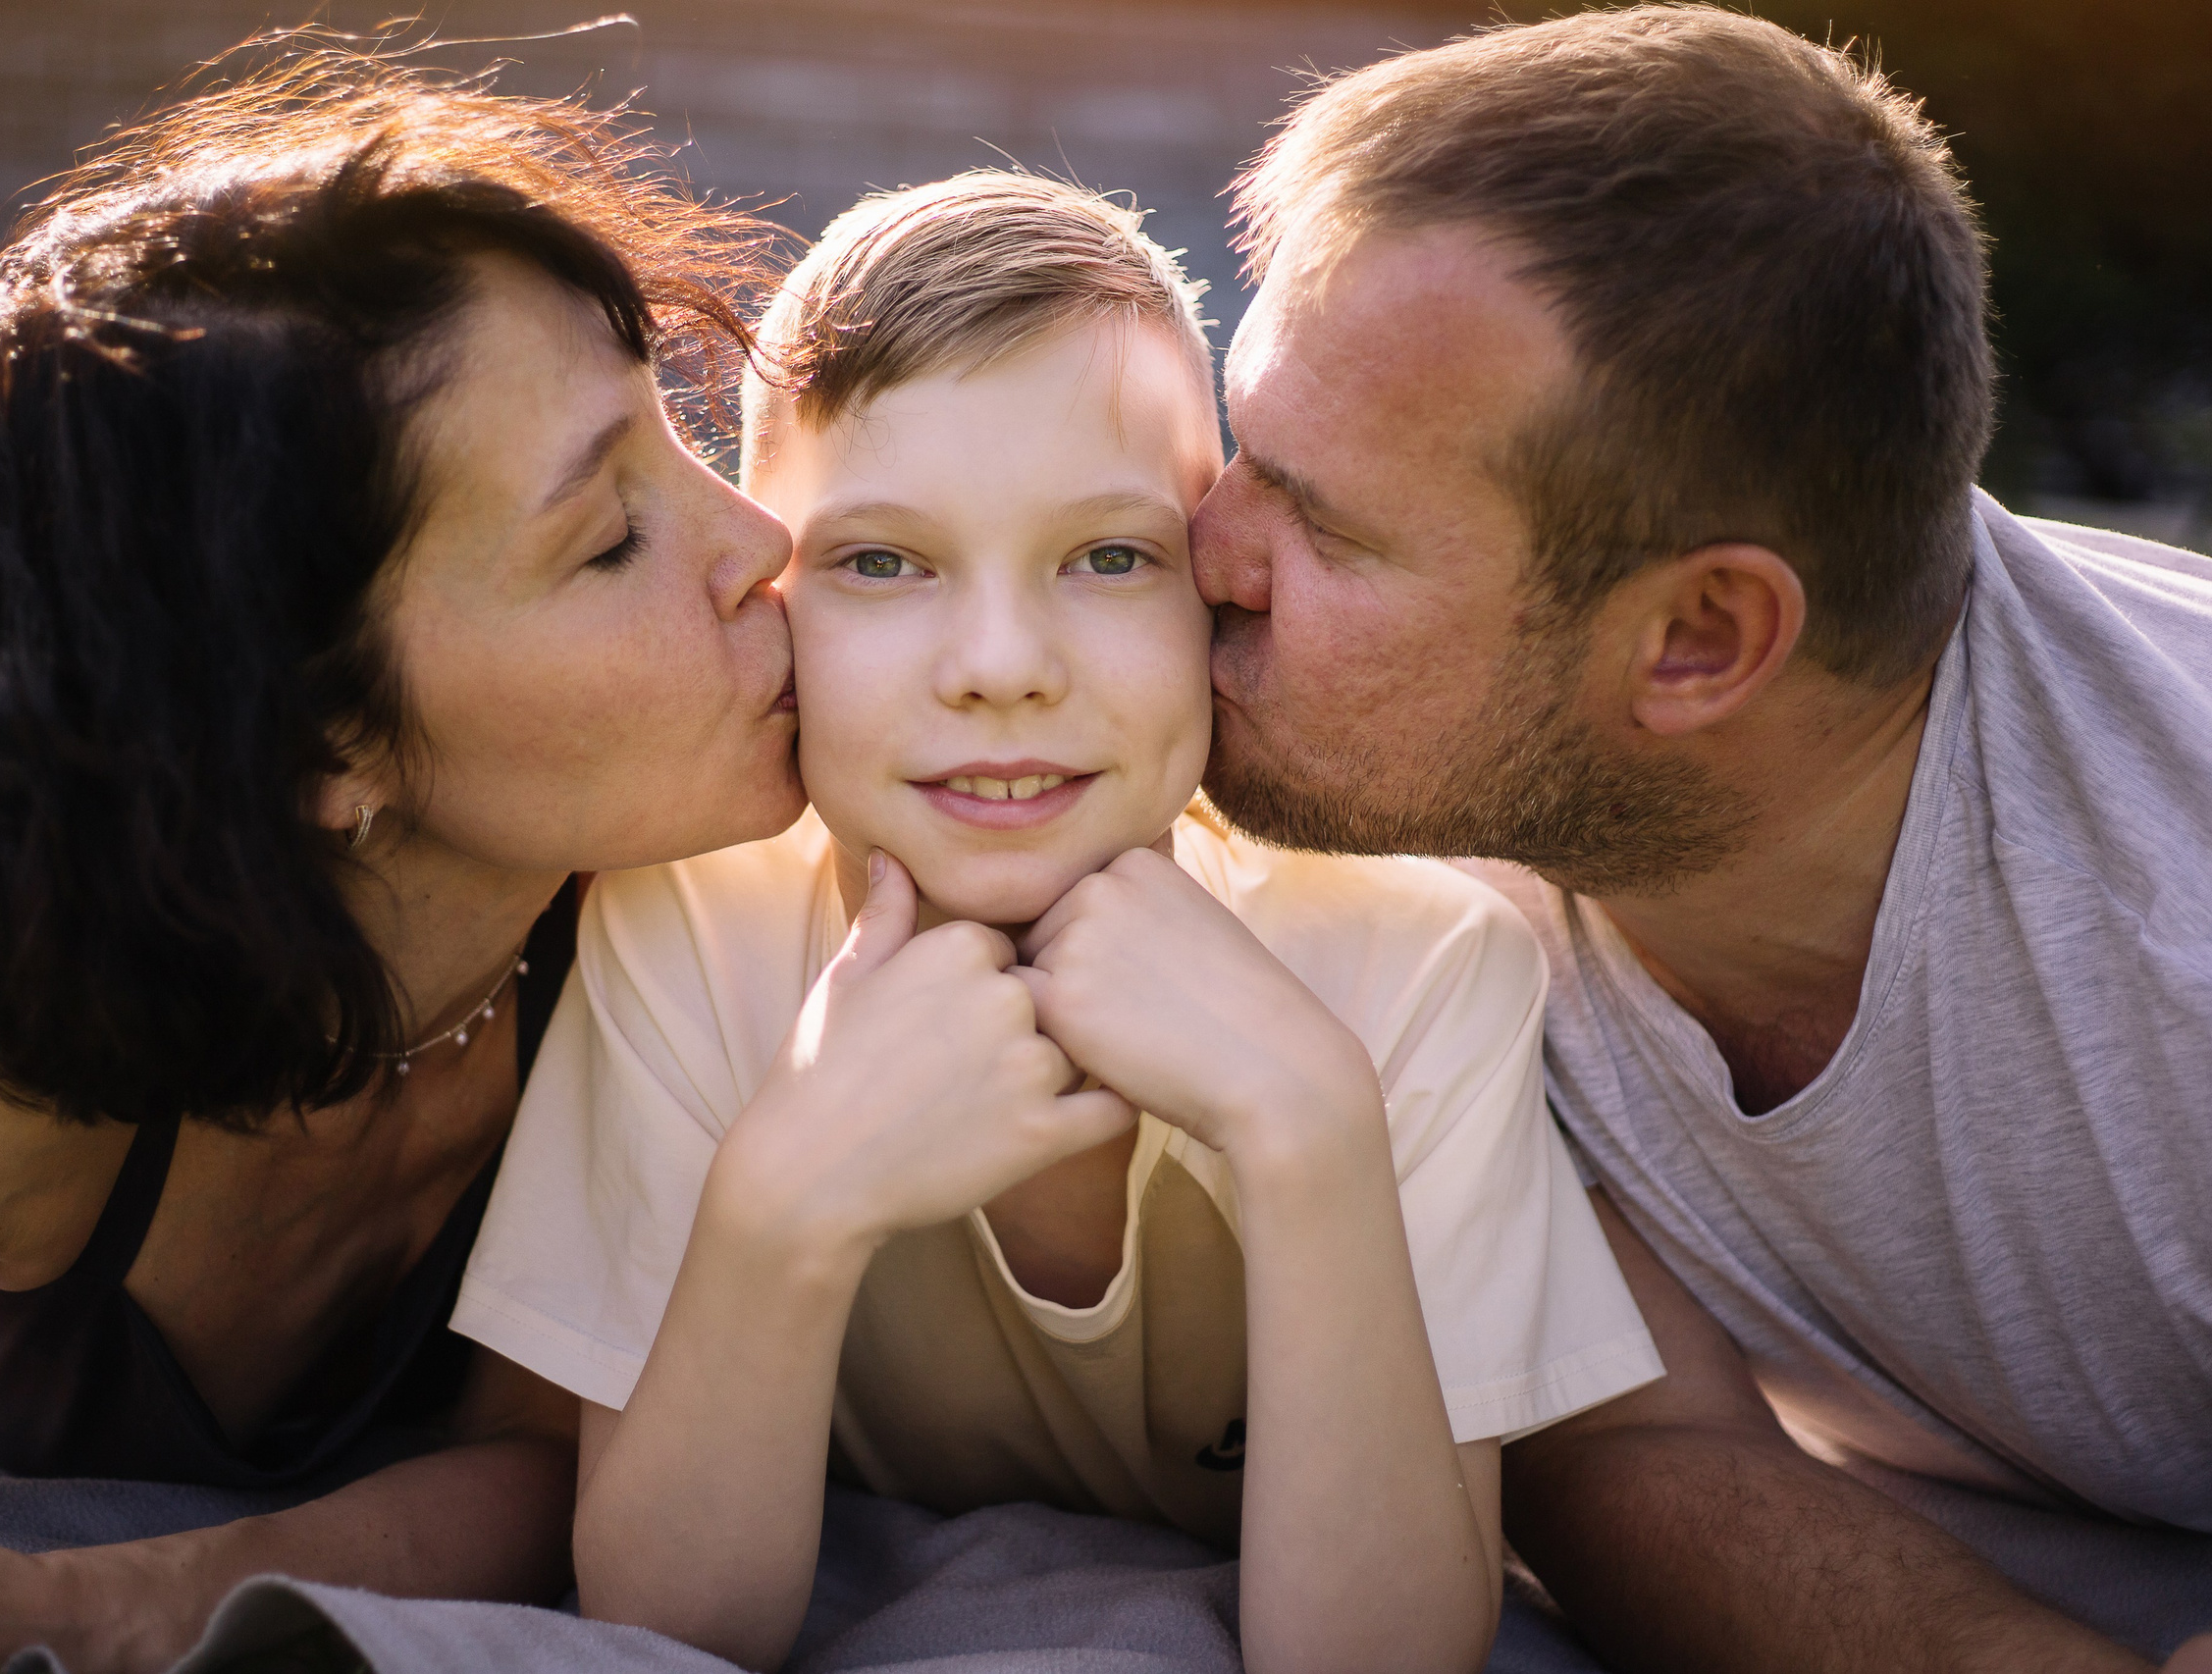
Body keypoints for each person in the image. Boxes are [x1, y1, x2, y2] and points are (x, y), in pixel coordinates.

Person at [450, 173, 1664, 1674]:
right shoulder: (686, 932)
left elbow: (1377, 1655)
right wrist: (786, 1201)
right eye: (881, 562)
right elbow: (674, 1625)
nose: (1002, 665)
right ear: (771, 597)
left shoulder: (1418, 970)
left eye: (1109, 557)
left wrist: (1310, 1130)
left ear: (1214, 587)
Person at [0, 50, 805, 1674]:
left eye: (680, 437)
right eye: (610, 536)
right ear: (319, 746)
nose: (761, 541)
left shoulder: (678, 920)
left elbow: (553, 1462)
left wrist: (61, 1601)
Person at [1188, 7, 2212, 1670]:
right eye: (1246, 451)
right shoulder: (1402, 832)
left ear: (1698, 642)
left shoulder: (2174, 933)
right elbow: (1624, 1443)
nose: (1202, 551)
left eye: (1326, 523)